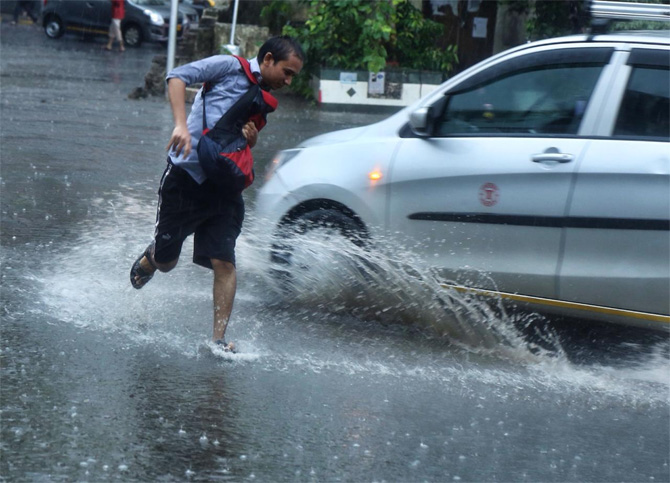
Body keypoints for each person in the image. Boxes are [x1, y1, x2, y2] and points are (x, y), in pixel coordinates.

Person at [130, 36, 304, 352]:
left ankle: (218, 339)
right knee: (168, 262)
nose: (289, 81)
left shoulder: (263, 98)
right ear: (267, 60)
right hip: (185, 177)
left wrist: (251, 141)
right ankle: (154, 256)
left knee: (224, 262)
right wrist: (180, 125)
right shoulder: (226, 66)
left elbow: (234, 143)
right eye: (287, 72)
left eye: (293, 76)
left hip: (223, 186)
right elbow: (177, 76)